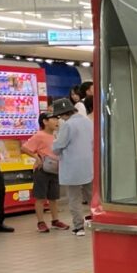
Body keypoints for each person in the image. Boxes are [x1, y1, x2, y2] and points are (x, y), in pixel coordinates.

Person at [21, 111, 70, 233]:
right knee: (40, 197)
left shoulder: (56, 135)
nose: (56, 121)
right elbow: (24, 148)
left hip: (54, 170)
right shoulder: (39, 135)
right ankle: (40, 222)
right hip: (42, 170)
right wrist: (37, 157)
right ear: (45, 121)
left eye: (57, 118)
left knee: (53, 197)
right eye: (53, 118)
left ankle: (55, 220)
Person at [51, 98, 93, 237]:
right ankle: (99, 221)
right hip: (89, 164)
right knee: (92, 197)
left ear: (63, 114)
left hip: (72, 166)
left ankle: (79, 227)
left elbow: (58, 146)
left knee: (74, 198)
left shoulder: (67, 125)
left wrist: (55, 142)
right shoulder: (88, 122)